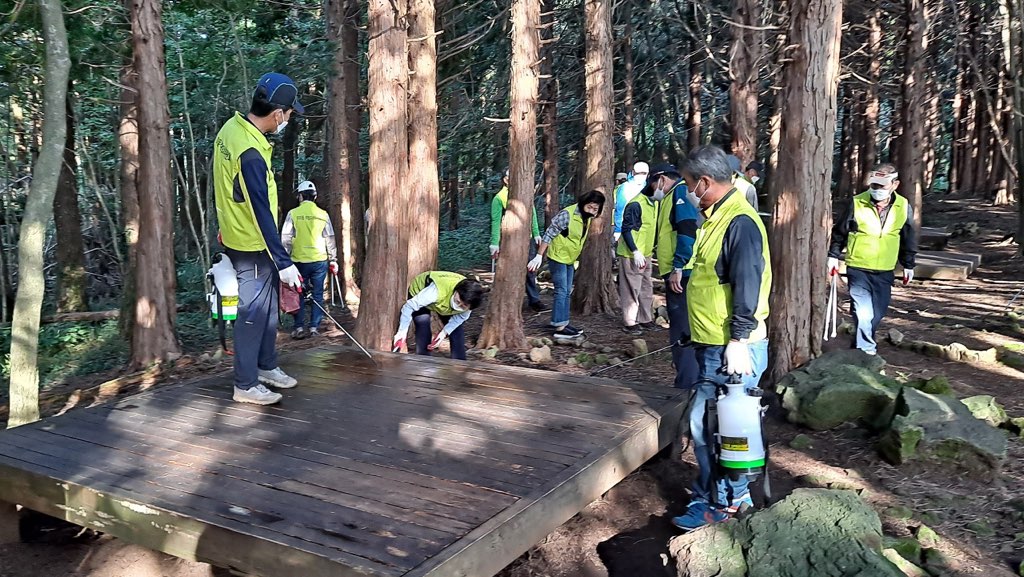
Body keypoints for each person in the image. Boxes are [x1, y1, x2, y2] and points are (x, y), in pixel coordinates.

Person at [670, 145, 772, 532]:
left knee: (720, 427)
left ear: (706, 182)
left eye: (688, 184)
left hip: (732, 349)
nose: (686, 191)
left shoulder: (738, 223)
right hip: (712, 343)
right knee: (712, 424)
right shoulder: (714, 217)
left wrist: (739, 339)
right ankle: (732, 495)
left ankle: (721, 502)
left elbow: (747, 283)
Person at [213, 72, 305, 406]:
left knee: (267, 311)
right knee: (252, 313)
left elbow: (226, 187)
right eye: (290, 112)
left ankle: (265, 366)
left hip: (243, 238)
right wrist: (284, 262)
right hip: (252, 246)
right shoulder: (250, 152)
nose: (289, 118)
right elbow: (260, 209)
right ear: (277, 113)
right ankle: (245, 384)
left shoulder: (232, 129)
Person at [827, 164, 917, 355]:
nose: (876, 190)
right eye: (874, 185)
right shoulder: (857, 202)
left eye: (882, 186)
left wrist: (909, 264)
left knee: (877, 313)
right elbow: (839, 231)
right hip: (858, 267)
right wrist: (833, 255)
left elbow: (908, 236)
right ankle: (866, 349)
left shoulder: (903, 206)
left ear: (895, 184)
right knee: (863, 312)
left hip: (885, 269)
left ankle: (860, 342)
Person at [528, 190, 606, 340]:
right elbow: (549, 233)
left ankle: (564, 322)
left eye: (595, 209)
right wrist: (539, 255)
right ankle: (559, 326)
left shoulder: (586, 218)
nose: (592, 211)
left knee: (567, 290)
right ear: (584, 203)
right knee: (561, 290)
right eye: (590, 207)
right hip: (558, 257)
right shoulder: (567, 214)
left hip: (569, 258)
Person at [649, 163, 700, 389]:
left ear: (661, 178)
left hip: (683, 273)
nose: (653, 190)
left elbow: (687, 229)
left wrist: (678, 266)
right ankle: (685, 377)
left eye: (653, 184)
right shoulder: (672, 196)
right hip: (677, 271)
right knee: (679, 328)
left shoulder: (679, 192)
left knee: (682, 330)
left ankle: (687, 383)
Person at [281, 180, 338, 339]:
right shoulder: (323, 214)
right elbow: (330, 238)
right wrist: (333, 259)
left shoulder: (293, 214)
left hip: (298, 260)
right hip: (319, 260)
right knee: (318, 294)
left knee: (298, 293)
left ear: (300, 196)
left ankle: (299, 327)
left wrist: (284, 260)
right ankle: (314, 327)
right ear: (315, 196)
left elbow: (285, 238)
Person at [490, 169, 549, 312]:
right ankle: (507, 300)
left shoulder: (525, 193)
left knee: (530, 269)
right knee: (508, 270)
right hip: (508, 241)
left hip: (527, 240)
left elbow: (532, 214)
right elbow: (496, 221)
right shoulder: (499, 198)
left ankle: (534, 299)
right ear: (505, 180)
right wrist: (494, 243)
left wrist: (536, 233)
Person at [392, 271, 485, 360]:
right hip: (421, 292)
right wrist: (402, 332)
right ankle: (423, 363)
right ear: (455, 291)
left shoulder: (470, 300)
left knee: (457, 332)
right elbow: (409, 306)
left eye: (463, 306)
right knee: (423, 326)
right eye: (457, 301)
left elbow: (459, 318)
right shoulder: (435, 291)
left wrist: (443, 334)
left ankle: (459, 365)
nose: (458, 306)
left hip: (443, 304)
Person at [616, 171, 659, 336]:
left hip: (646, 253)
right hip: (631, 253)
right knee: (631, 288)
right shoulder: (636, 204)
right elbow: (626, 230)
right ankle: (630, 322)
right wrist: (635, 251)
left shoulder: (653, 204)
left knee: (646, 287)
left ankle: (645, 319)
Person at [613, 161, 649, 243]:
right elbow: (619, 209)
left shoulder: (648, 187)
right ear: (633, 172)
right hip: (626, 228)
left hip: (646, 232)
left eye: (644, 173)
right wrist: (618, 229)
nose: (641, 175)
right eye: (638, 173)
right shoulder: (625, 187)